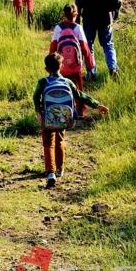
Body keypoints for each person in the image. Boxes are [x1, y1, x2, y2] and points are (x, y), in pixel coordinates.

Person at [33, 52, 108, 189]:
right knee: (60, 141)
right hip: (63, 118)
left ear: (46, 69)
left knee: (48, 144)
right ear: (61, 66)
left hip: (48, 118)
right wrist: (97, 105)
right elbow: (80, 96)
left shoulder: (43, 82)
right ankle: (60, 169)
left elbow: (36, 97)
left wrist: (38, 112)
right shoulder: (67, 82)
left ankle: (50, 173)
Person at [75, 0, 122, 77]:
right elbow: (118, 1)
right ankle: (113, 68)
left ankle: (91, 72)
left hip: (89, 17)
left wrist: (77, 16)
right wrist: (114, 13)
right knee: (108, 44)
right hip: (105, 17)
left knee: (88, 44)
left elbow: (78, 1)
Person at [49, 4, 94, 112]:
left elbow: (53, 47)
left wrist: (51, 65)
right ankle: (80, 110)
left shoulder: (58, 28)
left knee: (63, 89)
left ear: (63, 14)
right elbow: (84, 48)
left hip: (62, 65)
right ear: (76, 14)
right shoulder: (78, 28)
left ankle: (65, 110)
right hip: (76, 65)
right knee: (78, 89)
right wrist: (90, 65)